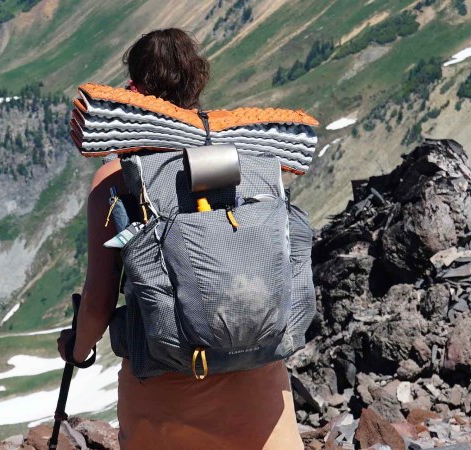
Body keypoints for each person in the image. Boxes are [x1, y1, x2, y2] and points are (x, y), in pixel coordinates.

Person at [57, 28, 303, 450]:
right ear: (198, 83)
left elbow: (98, 302)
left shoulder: (116, 180)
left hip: (167, 399)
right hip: (262, 394)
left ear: (134, 90)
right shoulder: (251, 161)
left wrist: (78, 350)